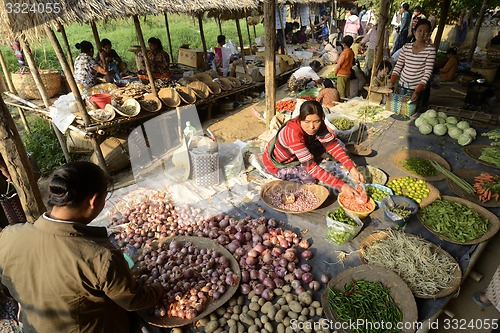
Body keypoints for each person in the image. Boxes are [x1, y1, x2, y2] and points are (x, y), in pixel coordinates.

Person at [0, 161, 165, 332]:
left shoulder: (8, 236)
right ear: (93, 200)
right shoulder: (100, 256)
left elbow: (6, 289)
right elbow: (133, 300)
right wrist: (159, 288)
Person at [263, 100, 365, 198]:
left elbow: (332, 146)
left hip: (296, 154)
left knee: (330, 143)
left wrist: (351, 168)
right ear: (300, 119)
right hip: (278, 164)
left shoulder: (319, 126)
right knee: (309, 178)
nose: (312, 126)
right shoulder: (293, 134)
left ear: (321, 119)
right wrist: (342, 185)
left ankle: (306, 159)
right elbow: (311, 167)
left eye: (316, 121)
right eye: (307, 122)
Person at [387, 19, 436, 111]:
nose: (422, 34)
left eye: (426, 32)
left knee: (413, 113)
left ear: (429, 34)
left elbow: (427, 73)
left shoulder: (430, 50)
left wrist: (417, 91)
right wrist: (391, 82)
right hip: (402, 85)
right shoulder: (406, 47)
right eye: (420, 30)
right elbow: (398, 66)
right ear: (414, 32)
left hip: (418, 89)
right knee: (399, 110)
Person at [334, 35, 355, 100]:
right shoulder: (351, 52)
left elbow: (339, 64)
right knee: (346, 92)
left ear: (344, 44)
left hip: (341, 74)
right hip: (348, 73)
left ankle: (341, 105)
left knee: (341, 93)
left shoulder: (344, 53)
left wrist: (335, 72)